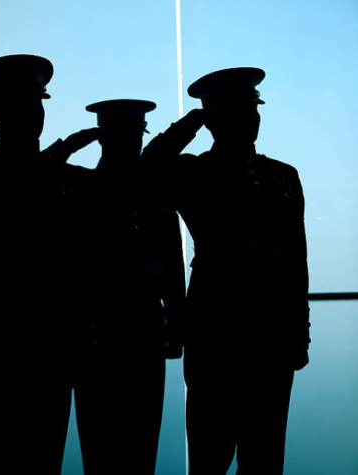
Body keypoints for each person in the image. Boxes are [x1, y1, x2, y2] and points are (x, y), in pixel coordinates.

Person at [145, 67, 310, 474]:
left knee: (266, 453)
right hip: (214, 327)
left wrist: (299, 330)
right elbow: (147, 170)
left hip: (271, 331)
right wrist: (195, 120)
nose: (251, 118)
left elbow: (296, 259)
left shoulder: (282, 175)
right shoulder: (193, 172)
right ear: (216, 117)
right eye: (237, 110)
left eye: (253, 109)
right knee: (210, 450)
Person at [0, 54, 72, 475]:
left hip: (52, 336)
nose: (32, 113)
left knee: (45, 455)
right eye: (17, 103)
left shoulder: (67, 177)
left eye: (36, 102)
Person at [58, 99, 185, 475]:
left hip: (143, 324)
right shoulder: (80, 187)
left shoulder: (151, 193)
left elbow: (173, 265)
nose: (131, 142)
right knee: (101, 443)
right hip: (96, 326)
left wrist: (176, 325)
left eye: (136, 133)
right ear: (104, 137)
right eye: (122, 133)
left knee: (142, 441)